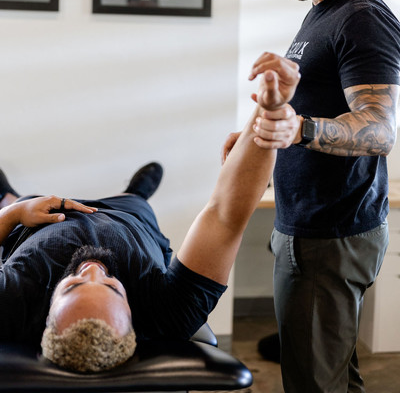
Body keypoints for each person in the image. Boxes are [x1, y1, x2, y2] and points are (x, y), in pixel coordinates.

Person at [0, 56, 300, 373]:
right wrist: (270, 113)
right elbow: (225, 217)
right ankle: (136, 191)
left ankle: (10, 195)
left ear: (46, 319)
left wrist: (15, 213)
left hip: (35, 220)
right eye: (113, 287)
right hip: (129, 217)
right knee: (136, 201)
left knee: (12, 201)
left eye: (73, 285)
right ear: (132, 316)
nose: (92, 269)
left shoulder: (10, 307)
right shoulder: (168, 313)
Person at [223, 0, 400, 393]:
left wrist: (298, 128)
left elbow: (380, 129)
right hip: (307, 227)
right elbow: (314, 104)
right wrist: (255, 138)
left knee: (314, 383)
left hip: (332, 234)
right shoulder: (322, 9)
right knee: (332, 375)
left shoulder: (363, 17)